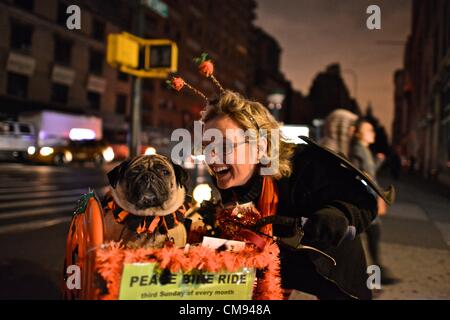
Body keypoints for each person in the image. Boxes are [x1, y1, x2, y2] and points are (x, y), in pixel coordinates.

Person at [200, 91, 382, 300]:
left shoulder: (306, 164)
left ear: (260, 148)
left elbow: (365, 201)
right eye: (207, 147)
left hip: (326, 266)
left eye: (224, 146)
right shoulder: (225, 176)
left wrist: (338, 213)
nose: (211, 157)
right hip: (274, 260)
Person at [349, 119, 399, 285]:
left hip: (367, 201)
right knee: (369, 238)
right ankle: (374, 280)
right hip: (364, 203)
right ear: (358, 133)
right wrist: (376, 197)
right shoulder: (357, 150)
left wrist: (377, 161)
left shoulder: (364, 149)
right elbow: (359, 178)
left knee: (371, 238)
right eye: (368, 130)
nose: (373, 133)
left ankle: (375, 278)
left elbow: (368, 174)